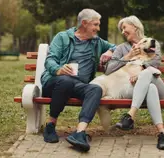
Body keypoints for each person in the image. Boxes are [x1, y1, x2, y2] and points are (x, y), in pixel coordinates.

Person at [41, 8, 116, 152]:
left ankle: (79, 133)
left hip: (79, 85)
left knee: (96, 89)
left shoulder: (96, 42)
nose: (98, 28)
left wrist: (109, 51)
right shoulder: (62, 37)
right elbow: (50, 60)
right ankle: (50, 125)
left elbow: (115, 47)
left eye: (98, 25)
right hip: (55, 82)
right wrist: (59, 69)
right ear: (84, 23)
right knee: (66, 81)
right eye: (95, 25)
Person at [105, 15, 164, 150]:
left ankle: (130, 116)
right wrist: (128, 56)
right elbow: (108, 69)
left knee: (147, 74)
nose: (122, 32)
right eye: (121, 30)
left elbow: (156, 61)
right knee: (150, 87)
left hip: (159, 89)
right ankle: (162, 133)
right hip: (139, 91)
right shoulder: (122, 48)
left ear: (134, 26)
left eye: (124, 28)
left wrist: (141, 69)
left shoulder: (151, 42)